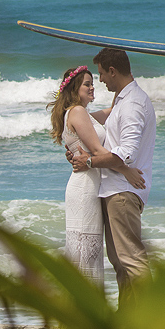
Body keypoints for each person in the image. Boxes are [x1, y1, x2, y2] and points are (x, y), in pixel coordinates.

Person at [69, 48, 156, 307]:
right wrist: (73, 139)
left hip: (123, 191)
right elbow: (89, 125)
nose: (101, 81)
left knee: (131, 259)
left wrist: (88, 161)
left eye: (102, 75)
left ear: (112, 71)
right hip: (115, 188)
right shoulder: (122, 100)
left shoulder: (132, 104)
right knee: (120, 261)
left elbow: (126, 154)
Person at [48, 65, 146, 287]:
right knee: (85, 251)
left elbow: (113, 111)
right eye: (87, 84)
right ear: (75, 88)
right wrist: (126, 170)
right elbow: (97, 151)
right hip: (85, 188)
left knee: (86, 251)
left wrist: (125, 86)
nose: (93, 87)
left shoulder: (82, 113)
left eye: (93, 82)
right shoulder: (78, 112)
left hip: (89, 185)